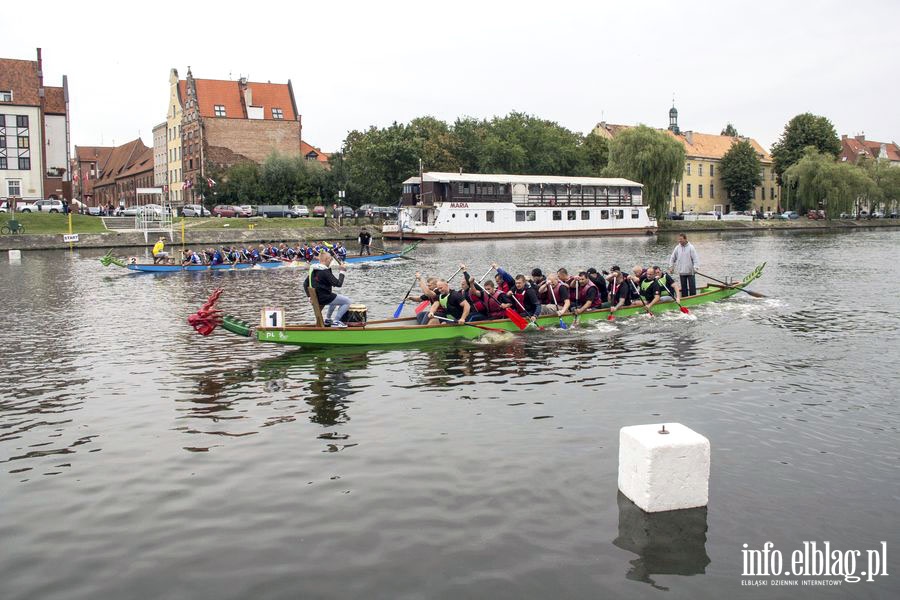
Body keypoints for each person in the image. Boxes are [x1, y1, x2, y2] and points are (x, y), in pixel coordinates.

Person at [306, 250, 351, 327]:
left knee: (334, 299)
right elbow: (338, 284)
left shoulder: (313, 269)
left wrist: (309, 296)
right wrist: (342, 271)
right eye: (330, 259)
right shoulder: (325, 271)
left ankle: (328, 319)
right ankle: (336, 321)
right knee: (347, 301)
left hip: (318, 297)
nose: (331, 261)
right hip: (324, 298)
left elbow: (305, 284)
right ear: (326, 259)